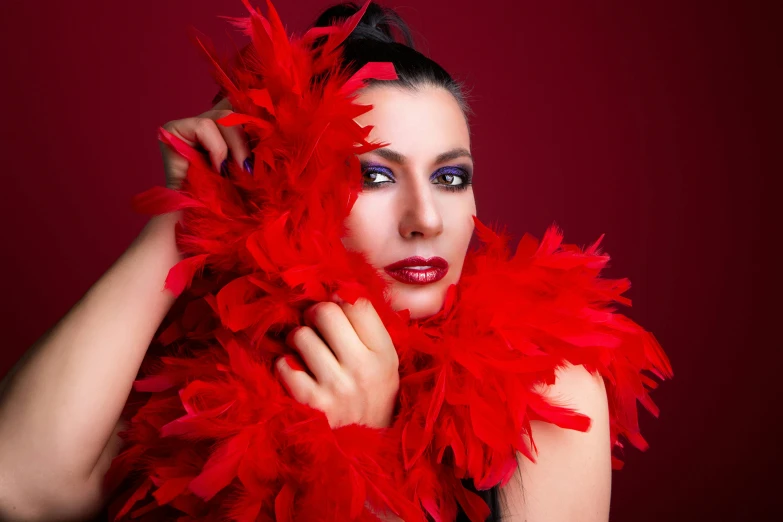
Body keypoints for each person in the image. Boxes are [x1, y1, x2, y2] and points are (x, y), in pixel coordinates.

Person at [0, 2, 616, 521]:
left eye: (451, 176)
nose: (425, 218)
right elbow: (19, 487)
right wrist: (185, 210)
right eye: (374, 175)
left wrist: (363, 459)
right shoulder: (205, 355)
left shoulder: (548, 391)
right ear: (293, 187)